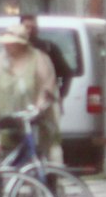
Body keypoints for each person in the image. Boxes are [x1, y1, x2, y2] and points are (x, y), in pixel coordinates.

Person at [0, 23, 59, 161]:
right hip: (4, 123)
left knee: (35, 160)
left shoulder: (38, 59)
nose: (7, 46)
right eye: (6, 43)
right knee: (5, 161)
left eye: (12, 43)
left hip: (32, 125)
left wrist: (38, 108)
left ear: (22, 44)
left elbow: (47, 88)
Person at [19, 14, 71, 162]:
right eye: (26, 27)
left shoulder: (48, 48)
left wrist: (59, 95)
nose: (29, 31)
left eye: (32, 27)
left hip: (46, 102)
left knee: (51, 139)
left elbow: (66, 73)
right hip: (22, 102)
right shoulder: (15, 49)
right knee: (19, 138)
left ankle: (52, 174)